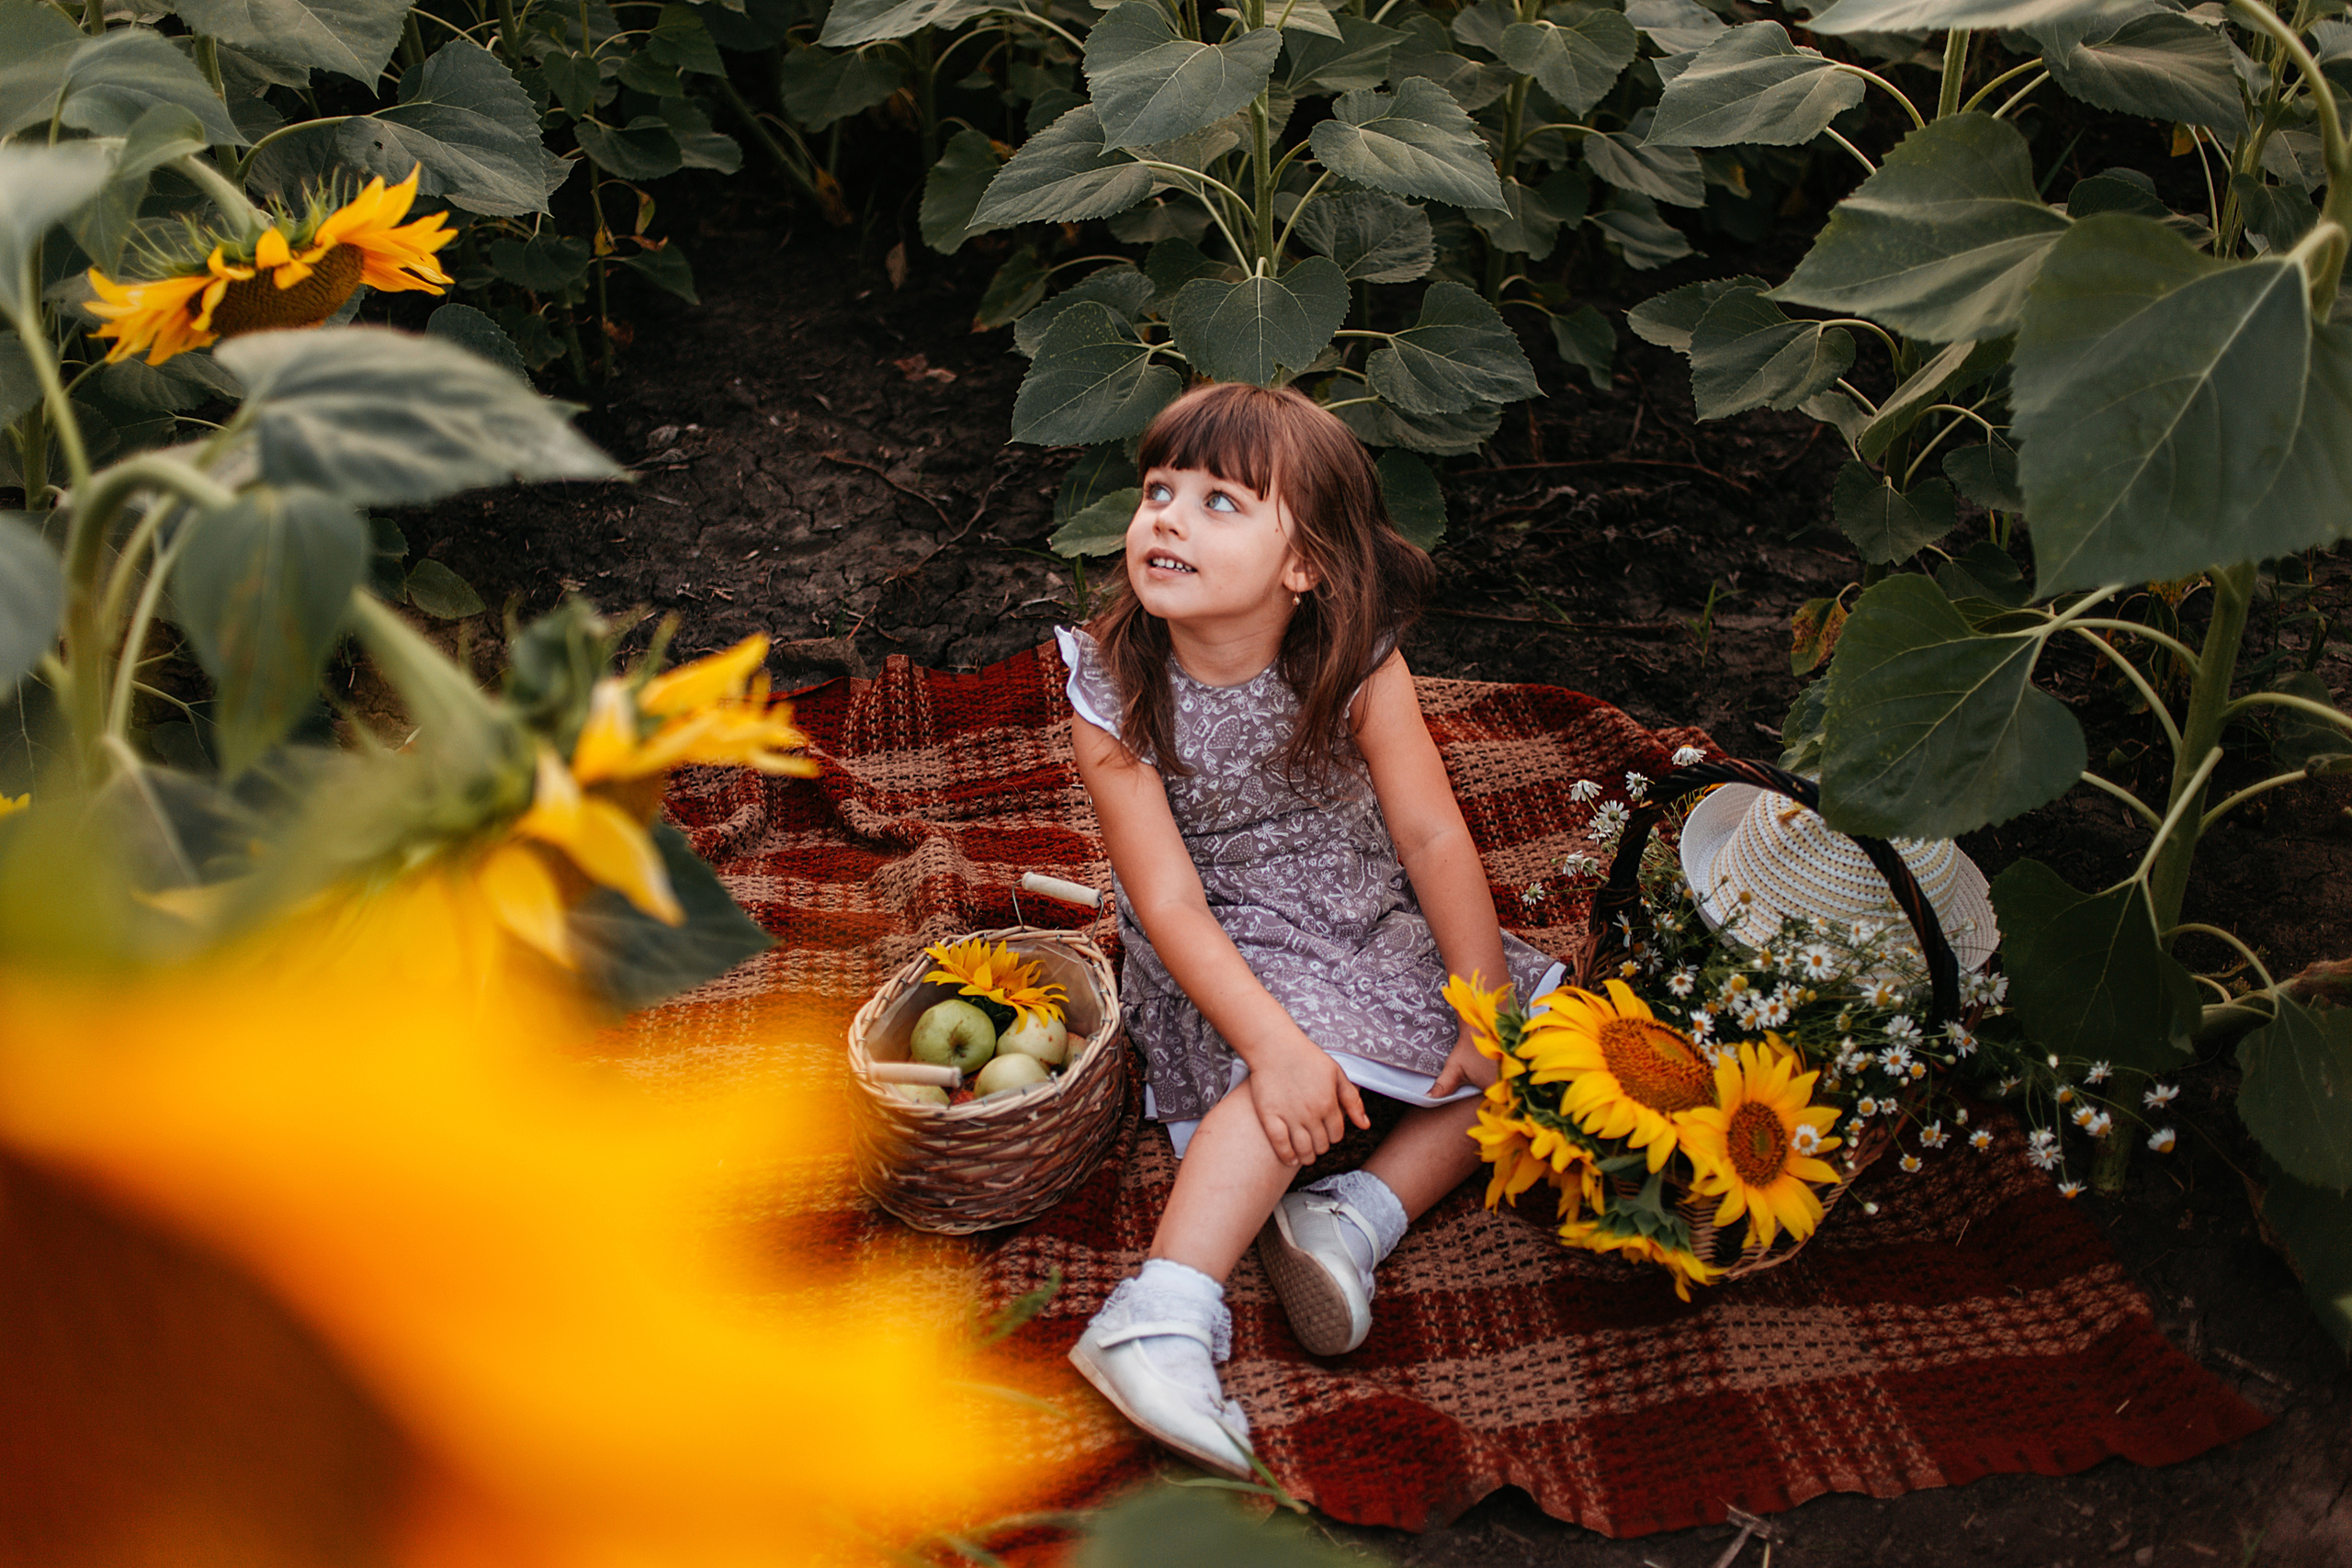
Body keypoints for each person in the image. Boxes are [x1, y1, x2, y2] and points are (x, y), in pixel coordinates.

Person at [1055, 382, 1555, 1475]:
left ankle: (1353, 1215)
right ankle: (1160, 1311)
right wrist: (1274, 1048)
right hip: (1224, 940)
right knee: (1287, 1066)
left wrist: (1483, 999)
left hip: (1360, 909)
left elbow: (1428, 833)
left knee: (1541, 1045)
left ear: (1306, 566)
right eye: (1158, 491)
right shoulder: (1113, 689)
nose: (1168, 519)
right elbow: (1168, 904)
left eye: (1219, 502)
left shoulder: (1357, 660)